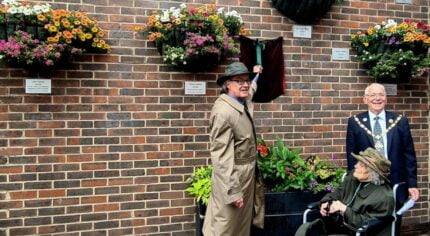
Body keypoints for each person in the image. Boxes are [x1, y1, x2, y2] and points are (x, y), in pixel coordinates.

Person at [203, 62, 264, 236]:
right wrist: (233, 191)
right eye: (239, 81)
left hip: (245, 177)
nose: (245, 84)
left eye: (246, 80)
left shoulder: (238, 100)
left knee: (240, 227)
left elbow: (250, 92)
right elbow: (221, 157)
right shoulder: (223, 112)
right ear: (228, 84)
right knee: (225, 226)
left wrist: (256, 75)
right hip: (234, 179)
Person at [346, 83, 419, 204]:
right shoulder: (355, 122)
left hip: (396, 181)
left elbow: (409, 155)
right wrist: (354, 182)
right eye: (373, 95)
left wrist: (412, 184)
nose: (377, 98)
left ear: (386, 98)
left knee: (395, 218)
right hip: (367, 180)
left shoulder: (400, 121)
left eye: (381, 94)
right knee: (370, 219)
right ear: (365, 99)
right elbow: (351, 156)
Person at [295, 148, 395, 236]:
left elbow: (366, 225)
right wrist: (326, 202)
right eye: (357, 163)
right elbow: (338, 192)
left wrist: (344, 209)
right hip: (338, 227)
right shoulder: (353, 178)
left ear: (372, 172)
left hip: (357, 233)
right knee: (305, 230)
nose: (355, 166)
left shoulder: (384, 197)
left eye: (361, 165)